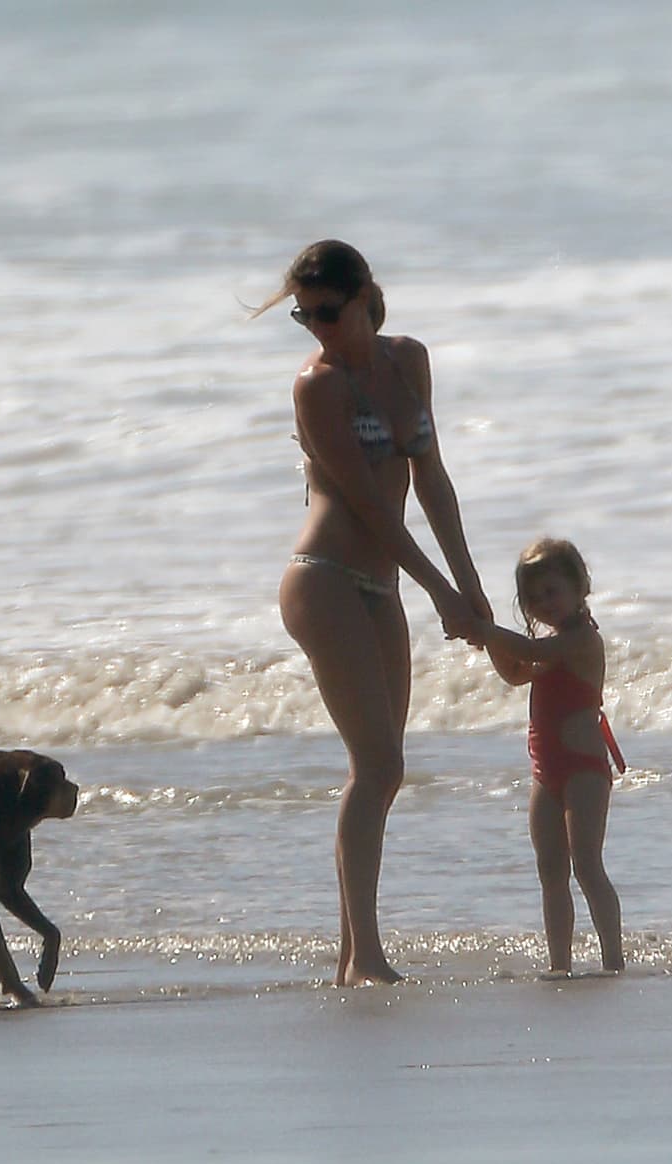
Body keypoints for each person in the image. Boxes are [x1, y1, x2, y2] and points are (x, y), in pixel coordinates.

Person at [255, 239, 491, 986]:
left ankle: (351, 955)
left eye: (328, 311)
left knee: (386, 770)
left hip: (382, 584)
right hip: (323, 579)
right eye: (305, 316)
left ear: (362, 297)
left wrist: (471, 586)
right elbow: (366, 504)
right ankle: (367, 957)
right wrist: (440, 594)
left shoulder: (408, 359)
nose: (318, 326)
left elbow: (433, 481)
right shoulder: (315, 387)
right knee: (378, 763)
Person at [476, 537, 625, 975]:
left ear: (580, 587)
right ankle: (560, 963)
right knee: (550, 870)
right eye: (533, 598)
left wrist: (486, 630)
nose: (544, 603)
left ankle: (613, 960)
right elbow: (516, 672)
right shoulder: (551, 644)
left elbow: (532, 653)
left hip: (584, 769)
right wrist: (485, 637)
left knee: (587, 866)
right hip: (546, 772)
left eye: (553, 592)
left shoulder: (581, 640)